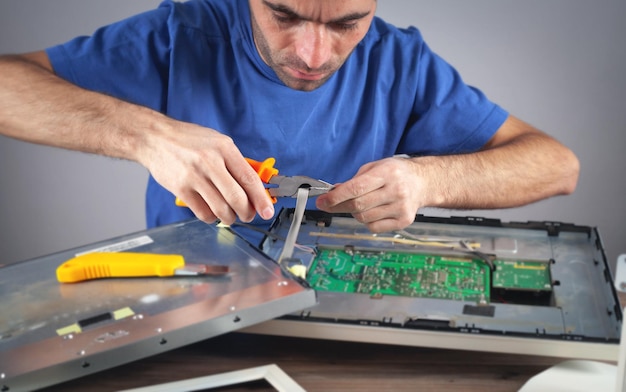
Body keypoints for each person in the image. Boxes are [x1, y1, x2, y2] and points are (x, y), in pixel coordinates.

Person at [0, 0, 579, 243]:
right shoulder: (183, 33)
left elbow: (557, 164)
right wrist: (147, 136)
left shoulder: (399, 62)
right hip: (189, 310)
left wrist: (429, 181)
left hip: (340, 317)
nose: (311, 56)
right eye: (283, 13)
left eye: (347, 23)